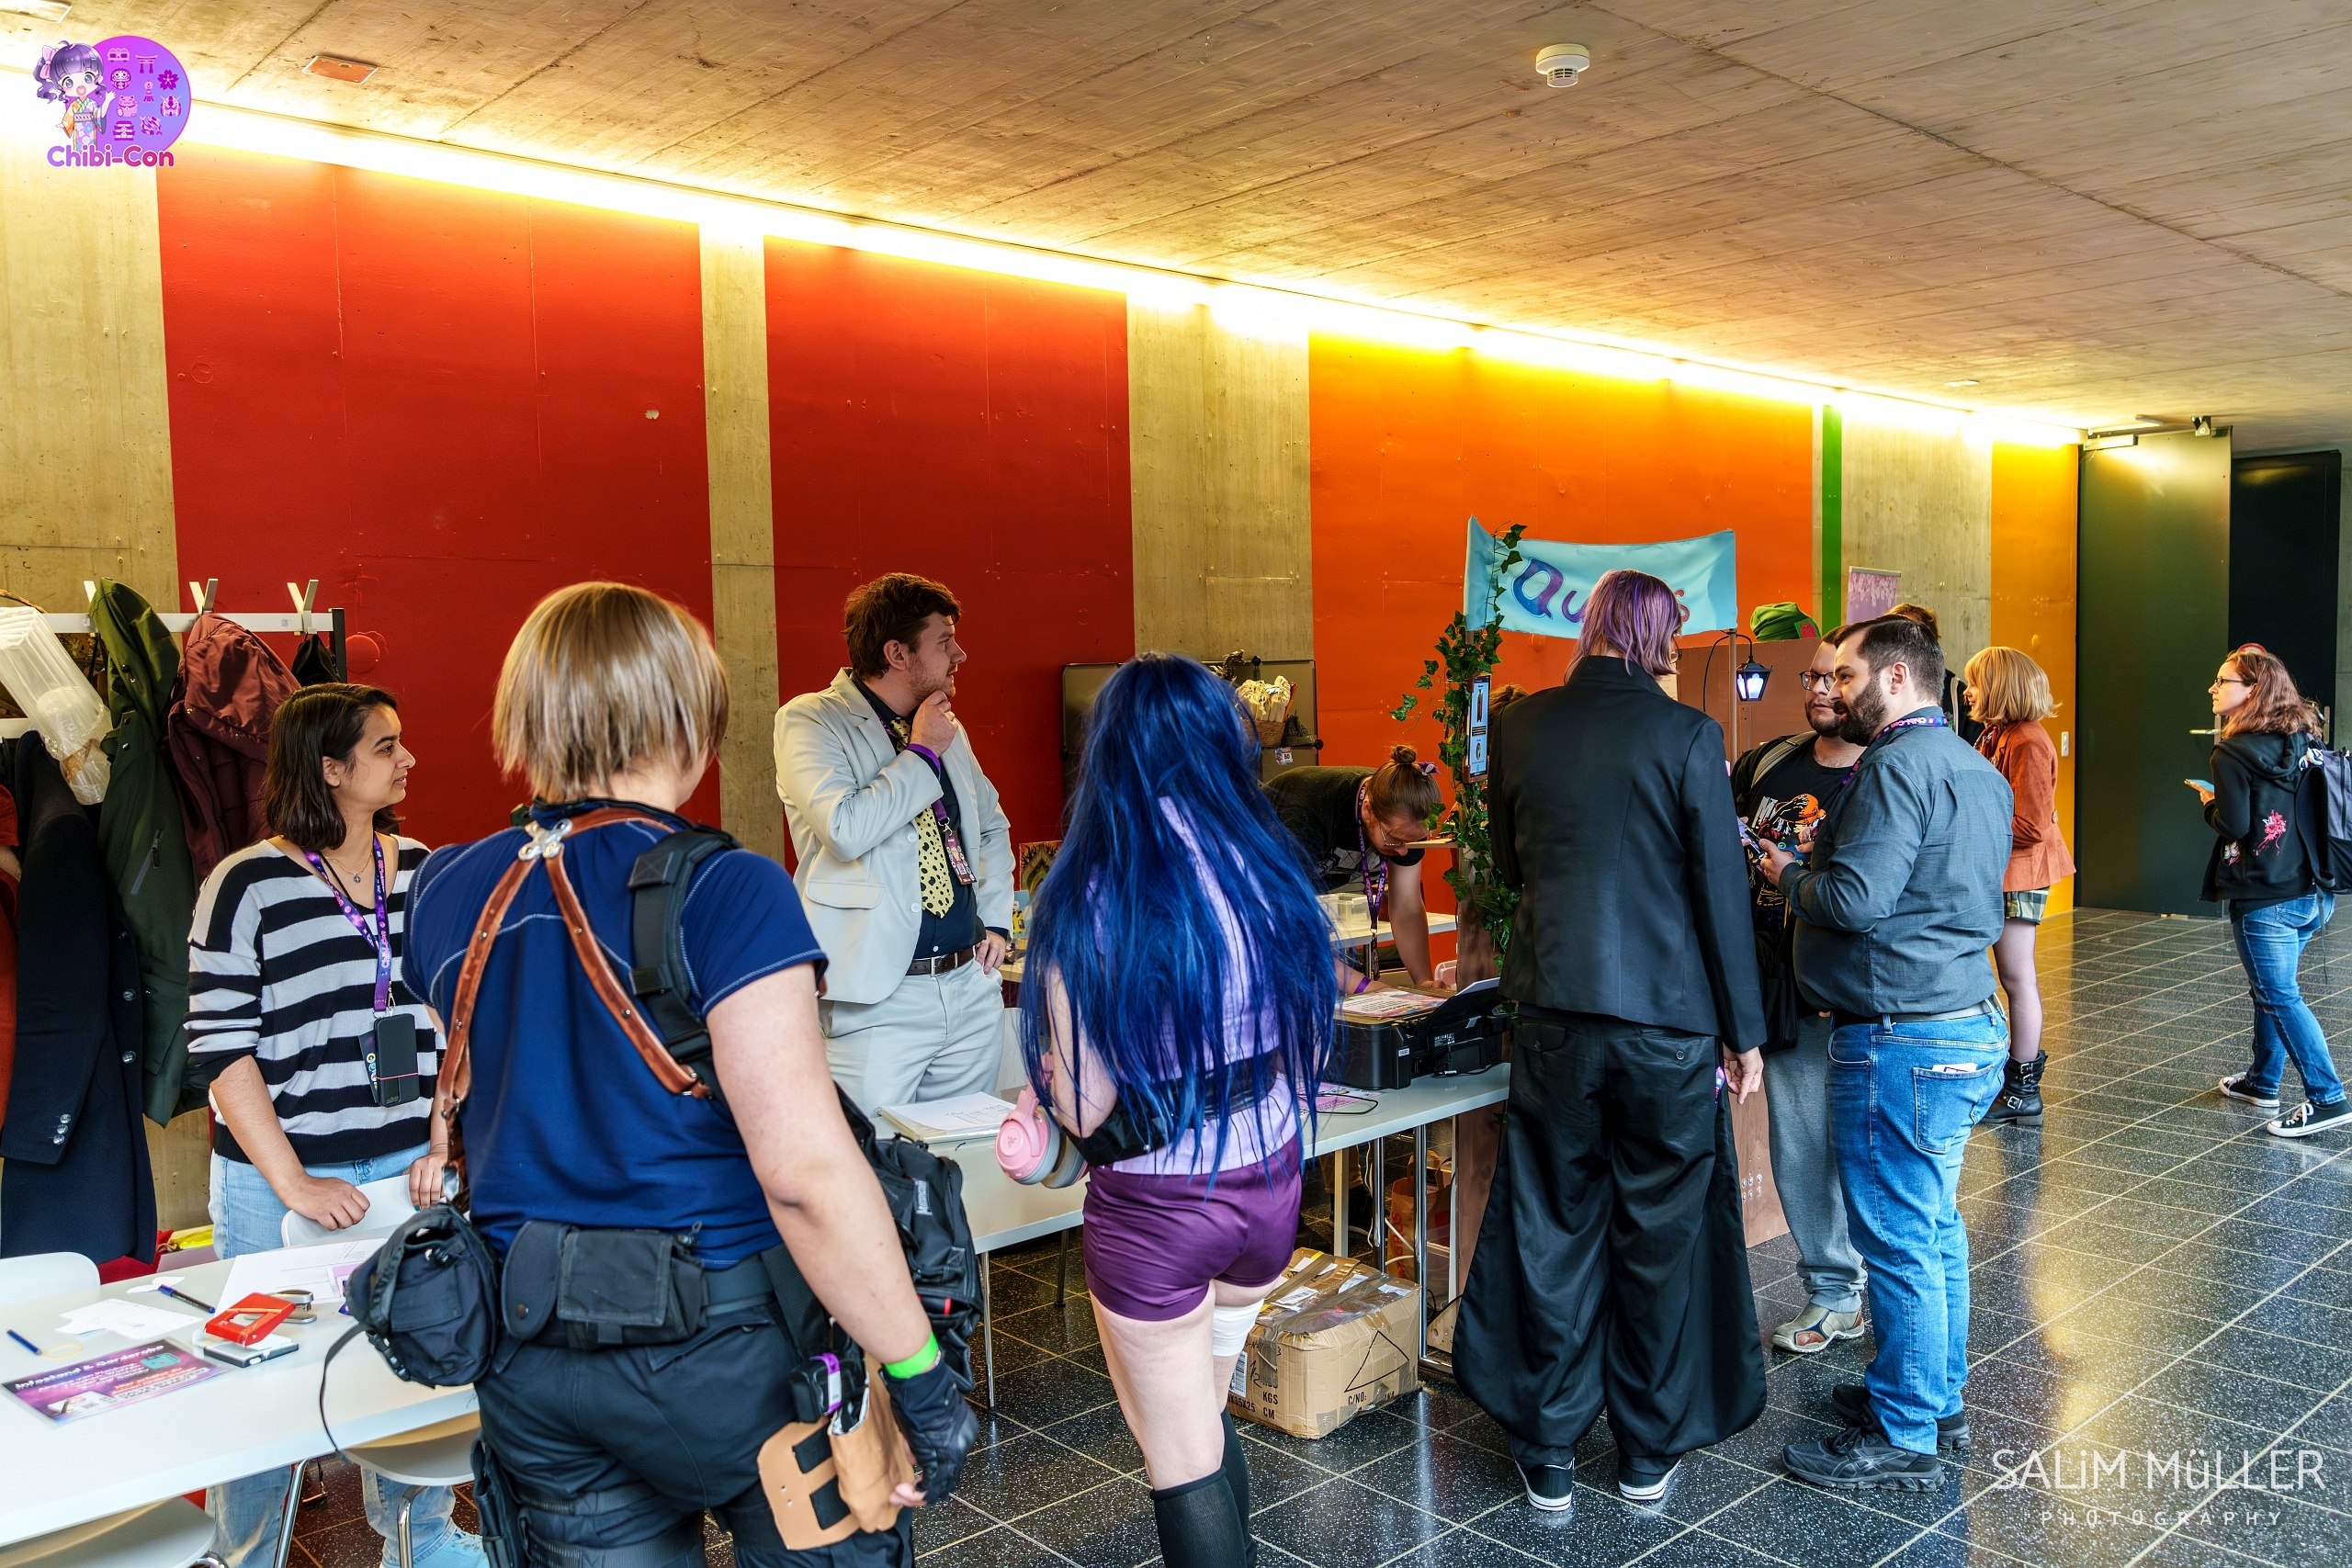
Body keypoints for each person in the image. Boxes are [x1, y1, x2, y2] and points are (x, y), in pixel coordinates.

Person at [405, 583, 973, 1568]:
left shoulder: (447, 888)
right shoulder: (727, 887)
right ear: (684, 718)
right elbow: (803, 1173)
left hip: (532, 1358)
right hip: (729, 1354)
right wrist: (919, 1371)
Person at [1455, 569, 1767, 1513]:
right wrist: (1743, 1033)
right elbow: (1720, 893)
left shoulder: (1520, 727)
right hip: (1669, 1027)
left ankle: (1548, 1448)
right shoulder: (1688, 735)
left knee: (1550, 1223)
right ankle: (1644, 1451)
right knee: (1661, 1234)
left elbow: (1511, 866)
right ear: (1659, 636)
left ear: (1590, 626)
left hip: (1554, 1017)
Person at [1016, 653, 1335, 1567]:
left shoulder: (1087, 895)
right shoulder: (1266, 869)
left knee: (1179, 1454)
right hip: (1268, 1188)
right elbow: (1305, 1044)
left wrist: (1044, 1078)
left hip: (1158, 1211)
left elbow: (1086, 1105)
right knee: (1204, 1408)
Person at [187, 685, 481, 1568]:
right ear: (329, 768)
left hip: (405, 1162)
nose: (408, 759)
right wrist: (294, 1184)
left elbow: (457, 1015)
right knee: (263, 1379)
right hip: (273, 1177)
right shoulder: (244, 884)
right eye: (386, 746)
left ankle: (422, 1539)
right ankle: (245, 1553)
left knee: (410, 1356)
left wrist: (441, 1138)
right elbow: (221, 1048)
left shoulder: (423, 868)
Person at [1759, 615, 2010, 1490]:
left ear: (1897, 678)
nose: (1835, 689)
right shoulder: (1974, 765)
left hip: (1902, 1034)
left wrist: (1790, 875)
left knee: (1900, 1239)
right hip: (1961, 1017)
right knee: (1932, 1227)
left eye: (1848, 674)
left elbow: (1857, 901)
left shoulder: (1893, 767)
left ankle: (1905, 1432)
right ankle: (1935, 1397)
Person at [775, 573, 1012, 1119]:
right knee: (869, 1160)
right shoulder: (811, 720)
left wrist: (997, 922)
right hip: (877, 1003)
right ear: (897, 653)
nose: (960, 655)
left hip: (969, 988)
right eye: (944, 641)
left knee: (965, 1157)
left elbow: (991, 827)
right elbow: (845, 829)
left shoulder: (945, 727)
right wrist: (922, 751)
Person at [1730, 632, 1869, 1357]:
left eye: (1834, 678)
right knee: (1801, 1140)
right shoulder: (1767, 762)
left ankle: (1888, 1284)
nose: (1819, 689)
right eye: (1812, 676)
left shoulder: (1882, 772)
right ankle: (1835, 1291)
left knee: (1869, 1148)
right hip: (1774, 979)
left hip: (1857, 987)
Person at [2201, 645, 2350, 1138]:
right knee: (2270, 988)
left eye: (2223, 681)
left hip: (2266, 897)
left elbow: (2235, 824)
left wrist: (2210, 803)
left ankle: (2327, 1098)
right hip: (2316, 892)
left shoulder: (2230, 752)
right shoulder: (2302, 740)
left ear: (2253, 691)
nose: (2213, 688)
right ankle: (2262, 1082)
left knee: (2279, 994)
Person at [1965, 646, 2075, 1125]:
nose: (1967, 692)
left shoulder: (2028, 740)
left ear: (1999, 687)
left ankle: (2023, 1091)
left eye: (1975, 682)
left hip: (2020, 873)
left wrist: (1966, 824)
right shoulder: (2000, 733)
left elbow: (2029, 826)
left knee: (2018, 979)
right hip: (2003, 870)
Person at [1265, 749, 1443, 988]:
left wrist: (1424, 982)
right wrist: (1364, 988)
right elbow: (1283, 924)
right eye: (1395, 839)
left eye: (1412, 842)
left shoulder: (1402, 814)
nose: (1403, 851)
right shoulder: (1309, 813)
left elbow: (1407, 905)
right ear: (1368, 810)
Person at [1888, 602, 1982, 745]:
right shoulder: (1877, 689)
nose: (1901, 643)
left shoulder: (1957, 693)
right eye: (1893, 635)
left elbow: (1975, 750)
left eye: (1910, 635)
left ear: (1932, 642)